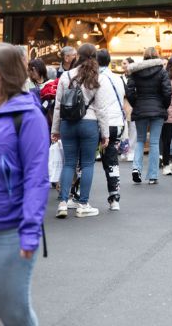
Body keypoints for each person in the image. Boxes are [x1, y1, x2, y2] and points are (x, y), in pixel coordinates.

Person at [0, 43, 49, 325]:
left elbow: (36, 178)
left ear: (3, 72)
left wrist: (30, 231)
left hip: (6, 233)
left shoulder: (26, 116)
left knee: (14, 315)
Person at [52, 43, 114, 218]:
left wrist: (55, 129)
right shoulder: (97, 78)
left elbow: (58, 106)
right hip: (89, 124)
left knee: (69, 163)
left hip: (68, 123)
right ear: (94, 57)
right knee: (87, 164)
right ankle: (83, 204)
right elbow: (102, 109)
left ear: (78, 56)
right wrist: (105, 134)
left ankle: (63, 202)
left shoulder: (66, 76)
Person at [125, 47, 172, 185]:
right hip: (158, 109)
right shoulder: (162, 71)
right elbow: (167, 92)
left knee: (140, 140)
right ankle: (152, 175)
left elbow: (129, 91)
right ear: (157, 56)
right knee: (154, 142)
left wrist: (136, 104)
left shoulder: (135, 71)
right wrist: (164, 106)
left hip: (140, 108)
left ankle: (136, 168)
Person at [97, 49, 126, 211]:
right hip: (117, 123)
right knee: (112, 160)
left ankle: (78, 195)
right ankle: (114, 197)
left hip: (101, 122)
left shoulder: (97, 78)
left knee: (85, 160)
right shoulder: (118, 78)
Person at [119, 57, 135, 161]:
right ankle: (124, 149)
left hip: (133, 103)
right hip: (122, 104)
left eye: (125, 63)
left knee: (133, 128)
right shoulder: (119, 77)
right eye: (122, 63)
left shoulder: (136, 77)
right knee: (123, 128)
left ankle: (132, 151)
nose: (123, 65)